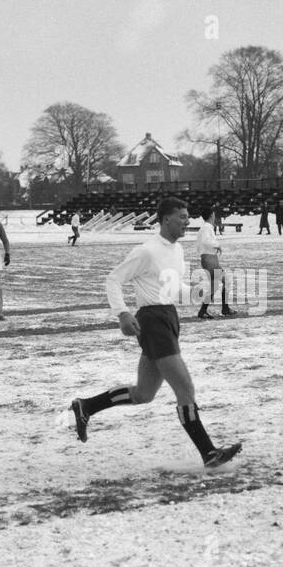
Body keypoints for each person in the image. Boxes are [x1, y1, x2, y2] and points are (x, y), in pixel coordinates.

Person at [69, 197, 242, 469]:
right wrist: (123, 313)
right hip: (152, 322)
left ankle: (86, 406)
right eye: (183, 217)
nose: (188, 221)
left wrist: (198, 292)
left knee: (143, 394)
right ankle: (209, 452)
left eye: (188, 217)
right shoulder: (146, 251)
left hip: (168, 317)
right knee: (185, 389)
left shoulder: (177, 251)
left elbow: (173, 289)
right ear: (165, 220)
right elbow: (113, 279)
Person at [195, 207, 237, 320]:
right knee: (218, 284)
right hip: (209, 259)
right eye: (213, 214)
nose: (214, 216)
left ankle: (224, 308)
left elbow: (201, 245)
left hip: (209, 258)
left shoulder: (205, 228)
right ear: (211, 215)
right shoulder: (206, 228)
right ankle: (207, 311)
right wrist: (216, 245)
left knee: (223, 281)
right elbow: (205, 241)